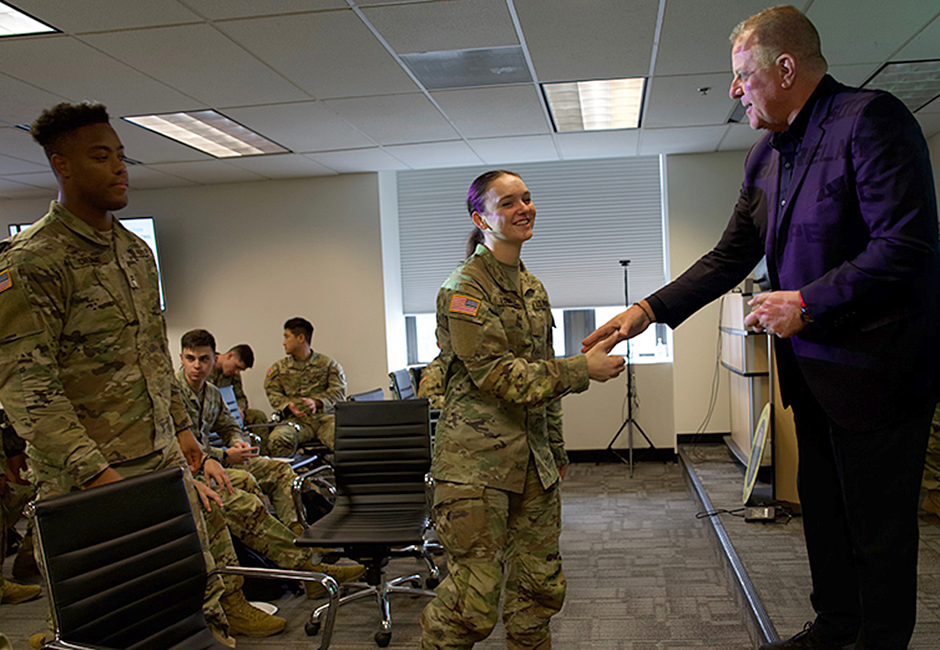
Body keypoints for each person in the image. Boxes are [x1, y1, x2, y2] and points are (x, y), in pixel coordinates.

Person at [583, 7, 939, 650]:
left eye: (743, 74)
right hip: (811, 375)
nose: (734, 89)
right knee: (825, 516)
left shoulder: (871, 121)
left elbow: (907, 246)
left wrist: (809, 300)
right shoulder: (766, 156)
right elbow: (729, 256)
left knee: (878, 530)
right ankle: (835, 628)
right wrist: (647, 312)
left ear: (785, 67)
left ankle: (880, 641)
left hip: (879, 375)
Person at [0, 101, 252, 647]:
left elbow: (153, 358)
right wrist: (101, 480)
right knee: (108, 627)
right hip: (86, 481)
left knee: (196, 609)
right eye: (100, 156)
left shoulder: (135, 252)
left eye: (121, 155)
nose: (120, 168)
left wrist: (186, 437)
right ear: (61, 164)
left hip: (159, 463)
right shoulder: (32, 261)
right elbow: (28, 390)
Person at [419, 170, 626, 650]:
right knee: (472, 606)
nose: (523, 209)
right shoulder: (464, 289)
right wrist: (581, 370)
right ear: (481, 219)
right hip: (476, 470)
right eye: (507, 202)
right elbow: (497, 375)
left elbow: (540, 374)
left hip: (534, 465)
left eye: (527, 199)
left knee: (538, 593)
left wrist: (555, 450)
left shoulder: (532, 288)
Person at [176, 329, 365, 596]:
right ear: (181, 358)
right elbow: (176, 449)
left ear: (214, 358)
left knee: (279, 470)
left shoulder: (211, 392)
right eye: (190, 358)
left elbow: (229, 425)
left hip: (219, 462)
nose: (197, 365)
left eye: (204, 359)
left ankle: (301, 542)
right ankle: (305, 570)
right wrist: (224, 456)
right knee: (245, 492)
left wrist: (237, 441)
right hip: (194, 470)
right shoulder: (172, 395)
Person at [264, 317, 347, 457]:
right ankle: (294, 474)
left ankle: (336, 475)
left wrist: (317, 402)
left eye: (287, 337)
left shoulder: (328, 365)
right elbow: (272, 392)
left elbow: (338, 392)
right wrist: (288, 405)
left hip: (324, 420)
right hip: (297, 422)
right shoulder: (279, 368)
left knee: (343, 441)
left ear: (301, 338)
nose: (283, 342)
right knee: (276, 440)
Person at [210, 343, 269, 428]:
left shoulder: (234, 375)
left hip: (229, 412)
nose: (237, 372)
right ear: (230, 355)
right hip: (211, 412)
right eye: (236, 366)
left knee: (258, 416)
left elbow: (241, 398)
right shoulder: (206, 365)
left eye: (240, 370)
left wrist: (239, 408)